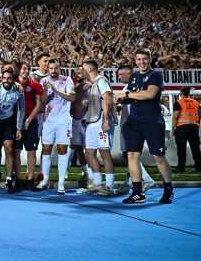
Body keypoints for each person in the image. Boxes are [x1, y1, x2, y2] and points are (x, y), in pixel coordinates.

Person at [118, 49, 173, 204]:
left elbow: (149, 94)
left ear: (149, 59)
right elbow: (133, 97)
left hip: (152, 121)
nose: (142, 62)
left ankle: (168, 189)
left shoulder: (155, 75)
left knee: (158, 157)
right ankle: (138, 193)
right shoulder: (134, 76)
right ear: (135, 61)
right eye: (139, 59)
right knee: (132, 155)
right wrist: (123, 100)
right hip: (134, 121)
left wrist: (126, 95)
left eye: (144, 59)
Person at [37, 59, 75, 194]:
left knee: (62, 149)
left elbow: (72, 98)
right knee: (46, 149)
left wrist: (56, 91)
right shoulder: (43, 82)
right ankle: (45, 180)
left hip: (63, 120)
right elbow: (42, 102)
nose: (53, 71)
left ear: (60, 68)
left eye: (56, 68)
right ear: (48, 69)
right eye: (51, 68)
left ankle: (61, 183)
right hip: (48, 120)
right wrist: (46, 92)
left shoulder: (67, 80)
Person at [116, 65, 155, 193]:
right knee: (128, 154)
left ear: (129, 74)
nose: (119, 77)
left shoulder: (135, 87)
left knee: (130, 154)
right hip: (128, 124)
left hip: (133, 125)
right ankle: (130, 182)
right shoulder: (126, 87)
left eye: (121, 74)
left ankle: (147, 179)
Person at [82, 60, 116, 196]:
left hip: (102, 120)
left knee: (104, 153)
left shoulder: (101, 81)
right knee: (89, 153)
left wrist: (106, 120)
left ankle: (109, 186)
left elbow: (107, 98)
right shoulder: (92, 84)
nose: (81, 71)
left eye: (83, 69)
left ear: (90, 69)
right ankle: (97, 184)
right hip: (92, 121)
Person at [14, 62, 43, 190]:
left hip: (31, 122)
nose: (26, 71)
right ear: (19, 70)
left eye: (28, 69)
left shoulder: (35, 85)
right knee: (16, 151)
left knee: (31, 151)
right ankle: (18, 180)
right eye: (24, 68)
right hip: (16, 123)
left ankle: (30, 180)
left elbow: (39, 104)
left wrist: (29, 119)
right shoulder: (12, 83)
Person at [172, 87, 201, 172]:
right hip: (194, 127)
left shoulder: (179, 102)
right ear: (189, 93)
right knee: (195, 148)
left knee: (181, 148)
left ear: (181, 94)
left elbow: (175, 116)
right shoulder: (196, 102)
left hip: (182, 128)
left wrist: (173, 128)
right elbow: (199, 115)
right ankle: (199, 166)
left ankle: (181, 167)